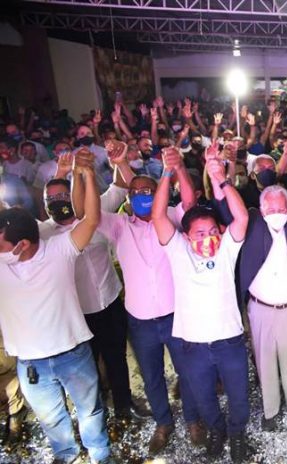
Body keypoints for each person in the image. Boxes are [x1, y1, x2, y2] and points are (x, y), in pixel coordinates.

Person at [0, 151, 112, 463]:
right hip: (31, 364)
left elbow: (91, 220)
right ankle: (66, 455)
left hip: (72, 354)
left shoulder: (60, 250)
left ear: (22, 245)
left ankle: (100, 454)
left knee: (90, 410)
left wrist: (86, 175)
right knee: (51, 418)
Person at [97, 148, 203, 454]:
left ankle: (193, 420)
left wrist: (178, 168)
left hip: (175, 314)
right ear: (128, 198)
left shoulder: (170, 217)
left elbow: (190, 203)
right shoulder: (119, 226)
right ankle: (163, 422)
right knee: (151, 376)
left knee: (187, 371)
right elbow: (86, 213)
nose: (142, 196)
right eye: (136, 193)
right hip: (140, 321)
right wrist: (93, 173)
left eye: (148, 192)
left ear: (159, 195)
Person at [40, 143, 149, 422]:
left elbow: (121, 186)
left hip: (109, 300)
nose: (59, 201)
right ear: (45, 205)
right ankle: (97, 412)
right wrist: (60, 173)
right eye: (52, 198)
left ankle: (124, 404)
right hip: (78, 312)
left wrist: (119, 161)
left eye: (63, 195)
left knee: (117, 357)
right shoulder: (44, 234)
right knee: (88, 367)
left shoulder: (96, 212)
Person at [152, 152, 250, 461]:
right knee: (203, 397)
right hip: (193, 346)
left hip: (229, 341)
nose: (208, 238)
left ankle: (237, 433)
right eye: (200, 234)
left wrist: (220, 178)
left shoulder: (226, 252)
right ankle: (217, 430)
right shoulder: (178, 252)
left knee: (239, 395)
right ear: (186, 236)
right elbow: (158, 217)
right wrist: (166, 173)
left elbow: (241, 218)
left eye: (213, 232)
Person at [239, 182, 287, 432]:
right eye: (270, 209)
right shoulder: (252, 223)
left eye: (281, 209)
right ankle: (270, 411)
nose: (276, 214)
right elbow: (225, 206)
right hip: (260, 309)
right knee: (265, 363)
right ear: (261, 210)